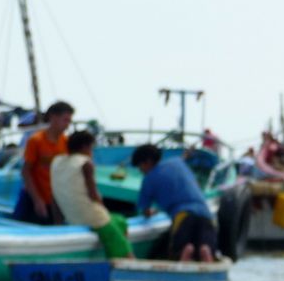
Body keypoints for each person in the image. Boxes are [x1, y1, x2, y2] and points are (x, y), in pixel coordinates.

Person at [51, 130, 133, 259]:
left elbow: (55, 194)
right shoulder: (86, 163)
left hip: (71, 217)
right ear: (85, 147)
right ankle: (123, 258)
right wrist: (104, 210)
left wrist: (58, 222)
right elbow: (94, 195)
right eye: (91, 148)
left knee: (121, 221)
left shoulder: (56, 162)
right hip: (93, 218)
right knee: (121, 244)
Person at [131, 143, 216, 262]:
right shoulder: (177, 162)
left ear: (147, 162)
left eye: (140, 167)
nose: (141, 171)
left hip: (183, 216)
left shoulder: (148, 179)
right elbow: (184, 158)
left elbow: (144, 210)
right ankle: (205, 250)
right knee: (205, 247)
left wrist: (152, 212)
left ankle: (186, 251)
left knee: (180, 252)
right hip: (206, 215)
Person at [13, 101, 74, 225]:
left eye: (69, 121)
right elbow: (26, 171)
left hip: (54, 199)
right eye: (65, 120)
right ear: (53, 117)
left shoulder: (66, 142)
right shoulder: (36, 141)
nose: (67, 125)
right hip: (33, 197)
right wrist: (37, 200)